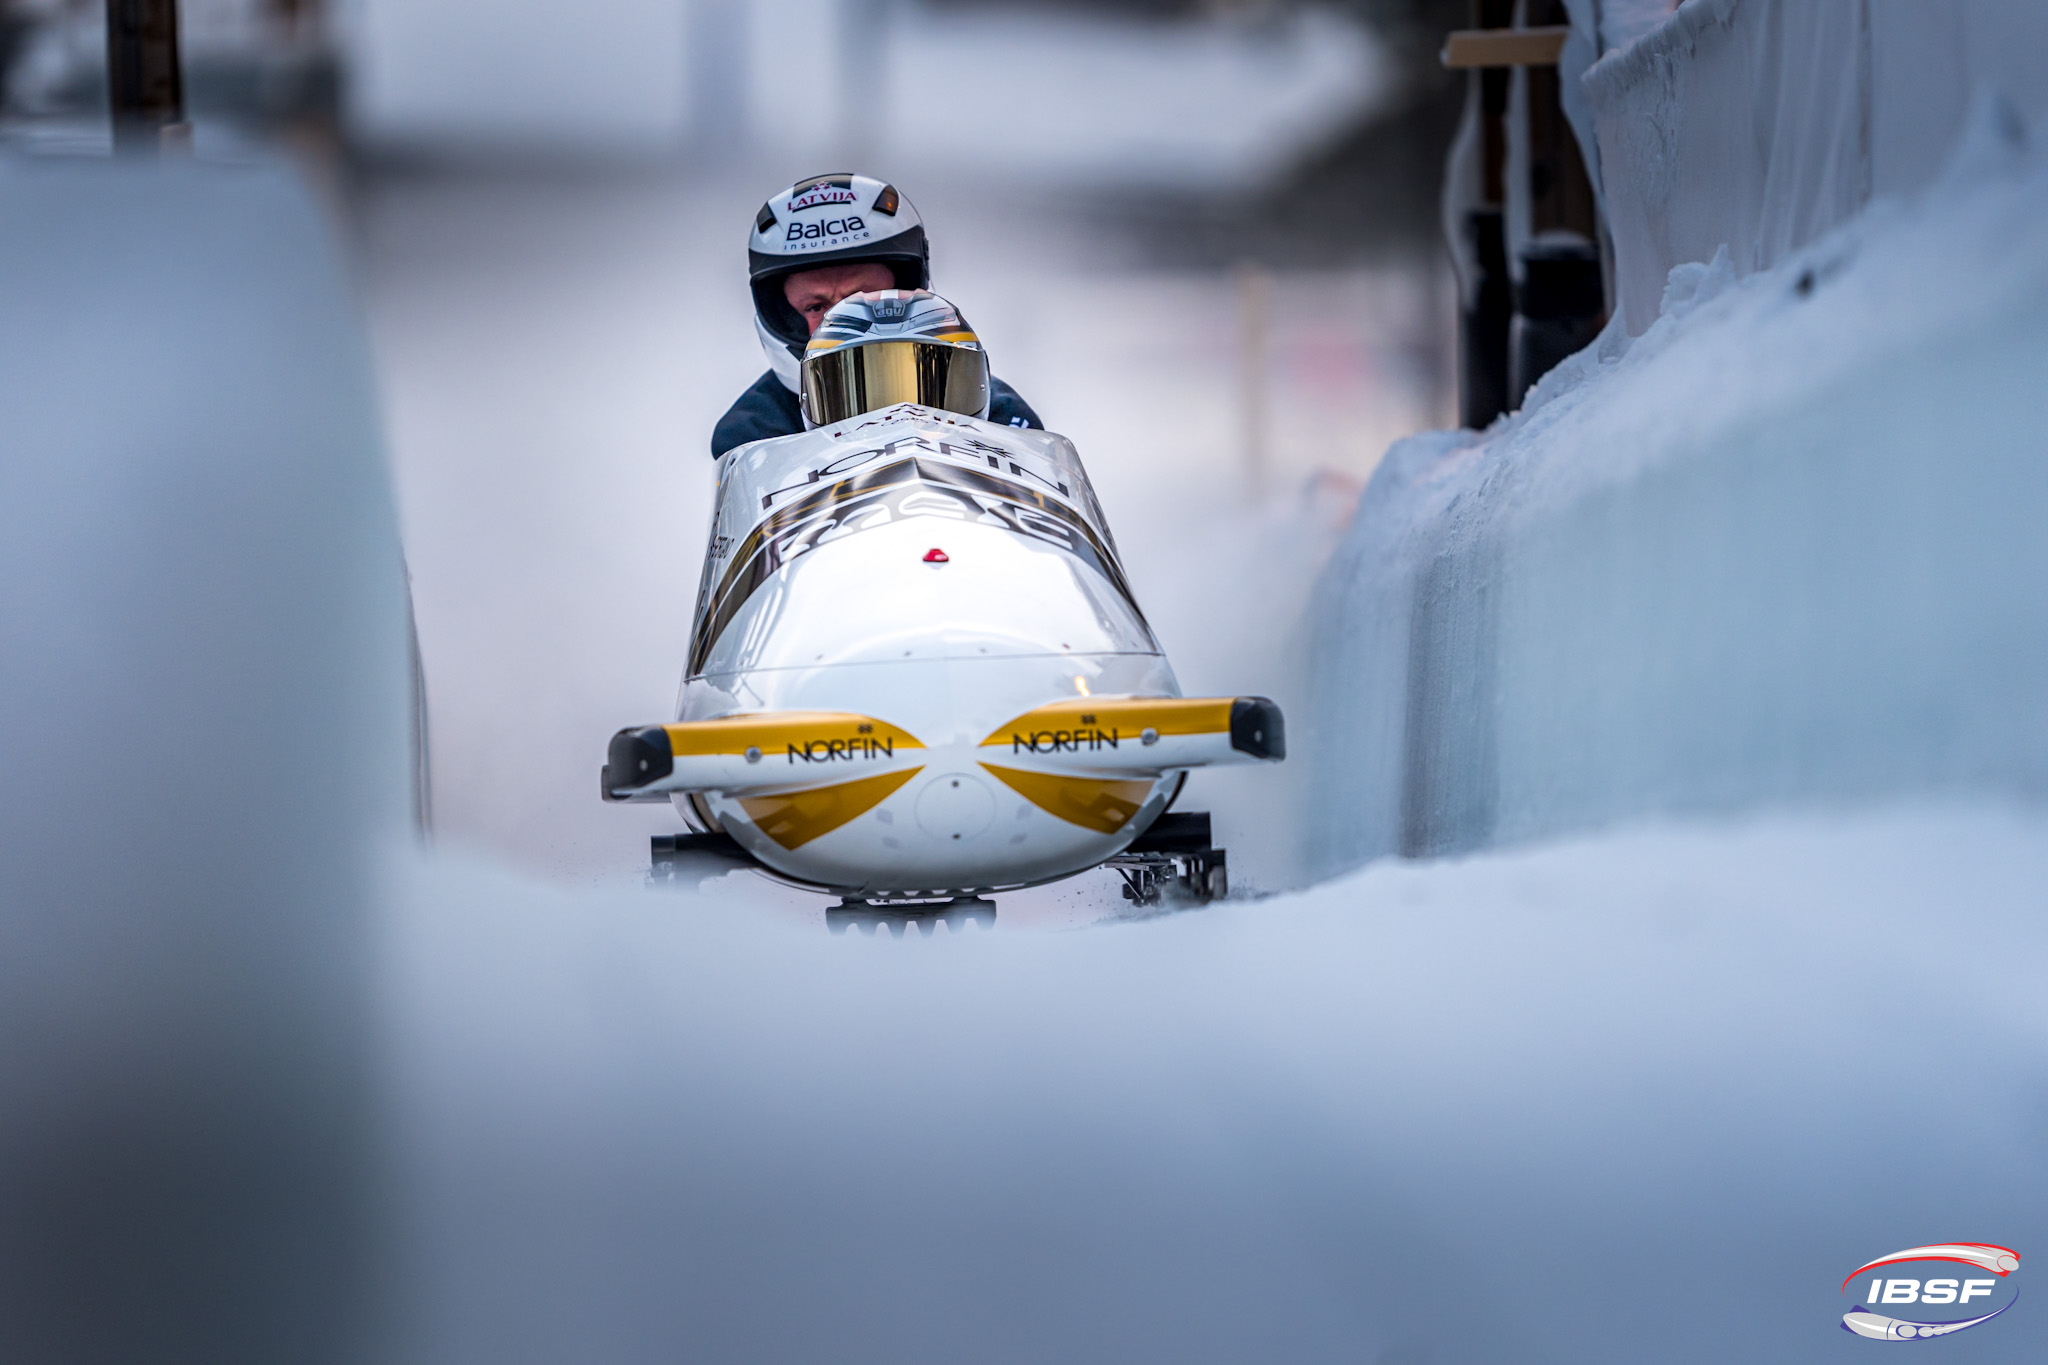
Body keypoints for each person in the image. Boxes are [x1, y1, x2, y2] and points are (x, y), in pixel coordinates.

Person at [712, 173, 1042, 457]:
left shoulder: (998, 412)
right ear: (787, 317)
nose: (843, 317)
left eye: (859, 297)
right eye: (817, 306)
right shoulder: (754, 433)